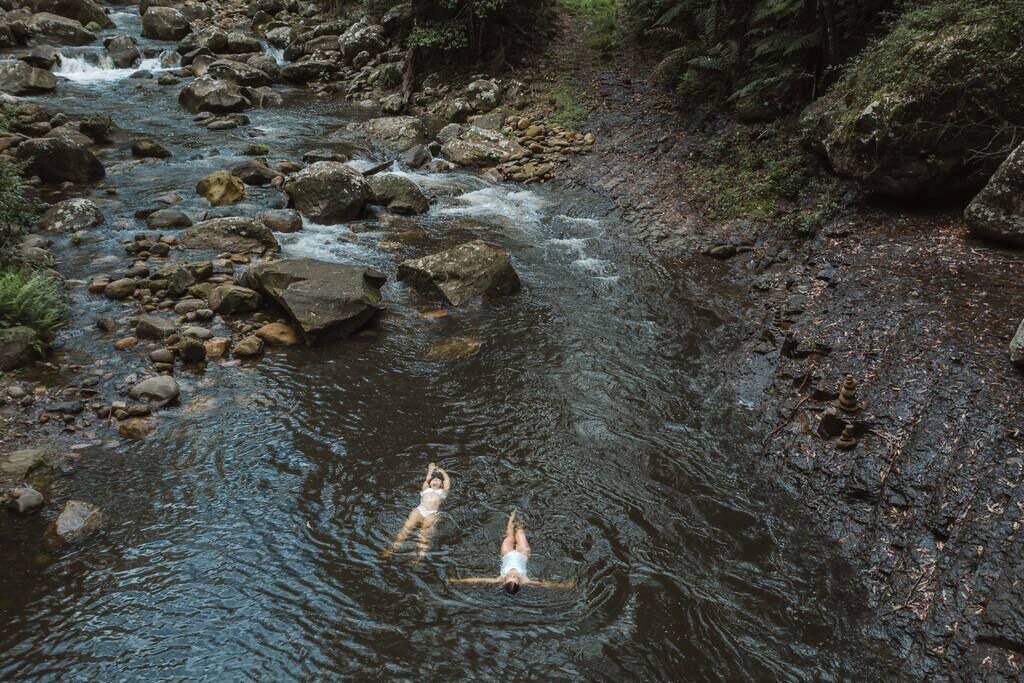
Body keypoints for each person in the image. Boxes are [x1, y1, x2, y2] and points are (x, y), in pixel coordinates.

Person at [448, 510, 575, 593]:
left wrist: (458, 581)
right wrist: (566, 586)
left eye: (511, 578)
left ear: (504, 581)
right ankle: (519, 520)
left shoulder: (500, 578)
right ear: (520, 582)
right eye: (514, 578)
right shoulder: (525, 580)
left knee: (509, 534)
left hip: (507, 553)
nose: (513, 576)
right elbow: (546, 584)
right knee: (520, 531)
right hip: (522, 553)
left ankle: (512, 516)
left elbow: (479, 580)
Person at [383, 463, 450, 561]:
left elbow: (447, 482)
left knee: (424, 533)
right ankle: (393, 547)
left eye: (438, 479)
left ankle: (419, 555)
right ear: (430, 483)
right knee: (407, 527)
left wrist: (443, 472)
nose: (435, 479)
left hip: (431, 513)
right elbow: (427, 479)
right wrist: (430, 469)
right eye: (433, 479)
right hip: (419, 510)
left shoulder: (442, 492)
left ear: (441, 484)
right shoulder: (426, 489)